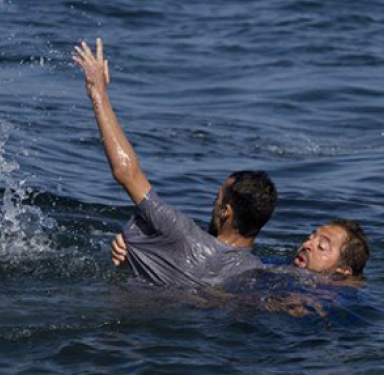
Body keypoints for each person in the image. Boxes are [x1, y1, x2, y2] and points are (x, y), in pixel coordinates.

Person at [72, 39, 277, 287]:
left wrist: (98, 94)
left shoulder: (181, 233)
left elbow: (125, 172)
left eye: (218, 198)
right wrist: (137, 256)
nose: (213, 204)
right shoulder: (256, 271)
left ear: (226, 211)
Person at [112, 218, 370, 279]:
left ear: (343, 270)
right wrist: (138, 257)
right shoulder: (271, 266)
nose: (307, 244)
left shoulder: (334, 298)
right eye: (311, 237)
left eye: (321, 246)